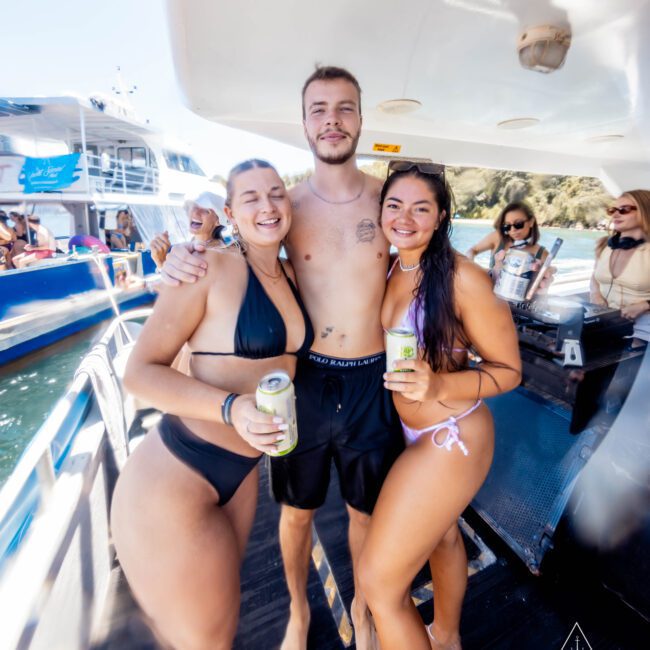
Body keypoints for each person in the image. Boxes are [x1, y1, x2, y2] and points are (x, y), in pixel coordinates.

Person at [161, 66, 403, 650]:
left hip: (374, 379)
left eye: (345, 108)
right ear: (304, 123)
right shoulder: (287, 207)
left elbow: (424, 259)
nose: (332, 120)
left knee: (365, 516)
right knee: (296, 514)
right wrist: (182, 261)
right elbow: (246, 257)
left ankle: (366, 614)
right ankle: (299, 611)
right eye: (319, 109)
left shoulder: (387, 197)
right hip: (308, 381)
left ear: (361, 119)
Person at [110, 159, 314, 649]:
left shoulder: (291, 275)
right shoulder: (208, 267)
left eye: (276, 193)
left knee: (222, 621)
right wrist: (232, 408)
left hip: (242, 473)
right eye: (251, 197)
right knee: (207, 640)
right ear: (230, 211)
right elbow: (139, 373)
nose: (267, 206)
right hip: (177, 478)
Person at [358, 162, 521, 649]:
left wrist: (437, 388)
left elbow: (510, 371)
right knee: (444, 535)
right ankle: (446, 636)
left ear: (442, 215)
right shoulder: (388, 265)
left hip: (451, 435)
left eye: (420, 208)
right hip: (410, 432)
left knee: (379, 583)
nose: (404, 218)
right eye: (394, 205)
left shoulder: (463, 278)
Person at [591, 190, 650, 346]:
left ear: (645, 211)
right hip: (606, 323)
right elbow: (594, 277)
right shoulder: (604, 245)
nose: (615, 215)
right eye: (612, 210)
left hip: (644, 329)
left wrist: (643, 306)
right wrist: (595, 294)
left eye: (624, 210)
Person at [466, 201, 548, 275]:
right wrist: (470, 269)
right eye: (507, 226)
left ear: (531, 222)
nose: (513, 230)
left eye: (518, 224)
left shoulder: (542, 253)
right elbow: (473, 250)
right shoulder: (497, 238)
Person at [149, 191, 227, 269]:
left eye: (206, 211)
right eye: (194, 207)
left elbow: (185, 281)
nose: (195, 213)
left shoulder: (213, 252)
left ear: (218, 221)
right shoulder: (195, 242)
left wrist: (161, 263)